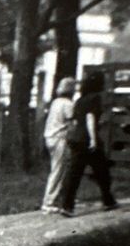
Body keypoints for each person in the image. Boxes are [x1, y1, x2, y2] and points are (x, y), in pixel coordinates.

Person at [60, 70, 117, 217]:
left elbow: (75, 120)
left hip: (76, 139)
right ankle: (108, 201)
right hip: (87, 139)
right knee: (102, 171)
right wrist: (93, 139)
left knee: (75, 173)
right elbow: (90, 117)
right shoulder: (95, 98)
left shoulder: (80, 100)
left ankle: (67, 206)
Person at [40, 77, 76, 213]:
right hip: (60, 138)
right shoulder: (68, 104)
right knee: (58, 170)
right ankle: (49, 201)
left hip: (49, 137)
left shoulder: (56, 102)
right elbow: (72, 120)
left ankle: (56, 197)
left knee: (57, 168)